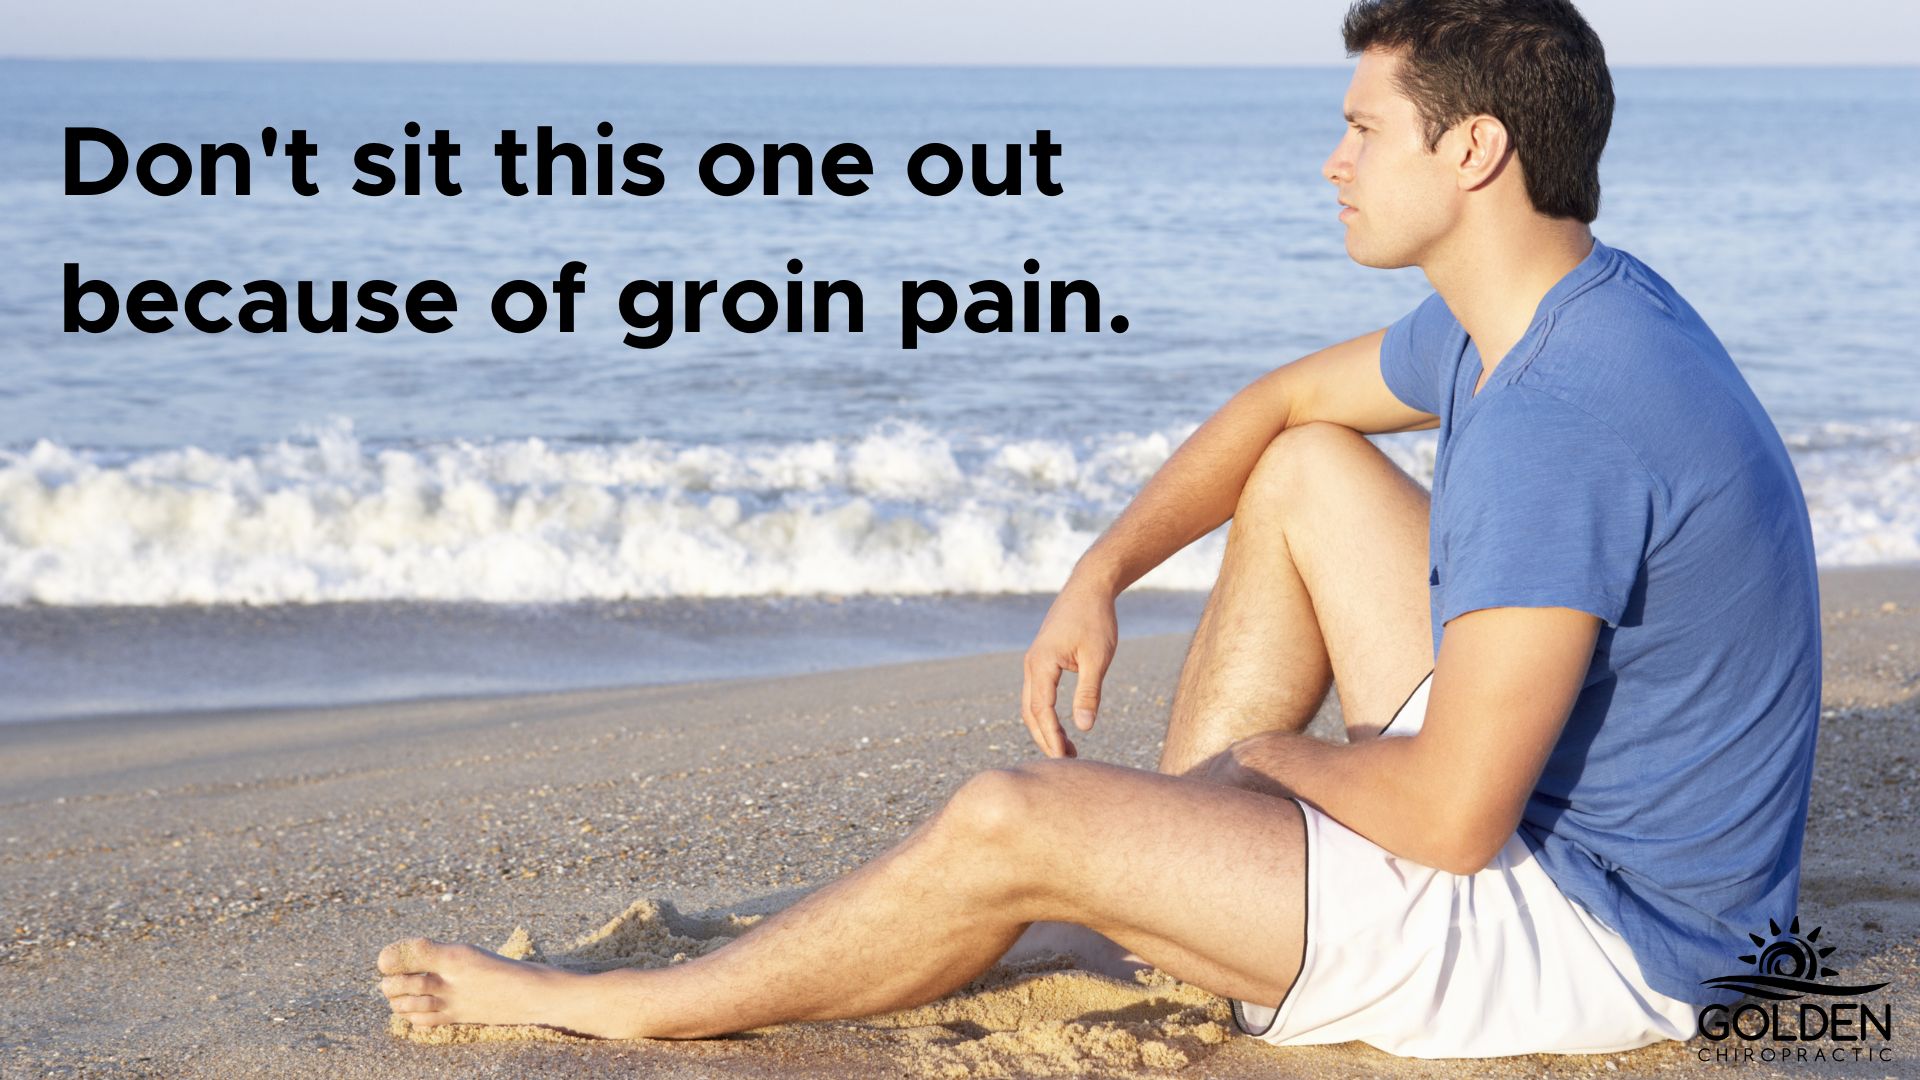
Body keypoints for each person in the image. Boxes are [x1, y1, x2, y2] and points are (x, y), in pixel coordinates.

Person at [378, 0, 1821, 1058]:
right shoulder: (1552, 309)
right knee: (1312, 466)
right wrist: (1101, 573)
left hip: (1593, 939)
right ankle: (1183, 870)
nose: (1333, 161)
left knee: (1010, 814)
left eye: (1365, 128)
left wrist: (1272, 760)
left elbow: (1451, 821)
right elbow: (1272, 409)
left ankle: (616, 1009)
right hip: (1561, 813)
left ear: (1478, 150)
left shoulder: (1569, 412)